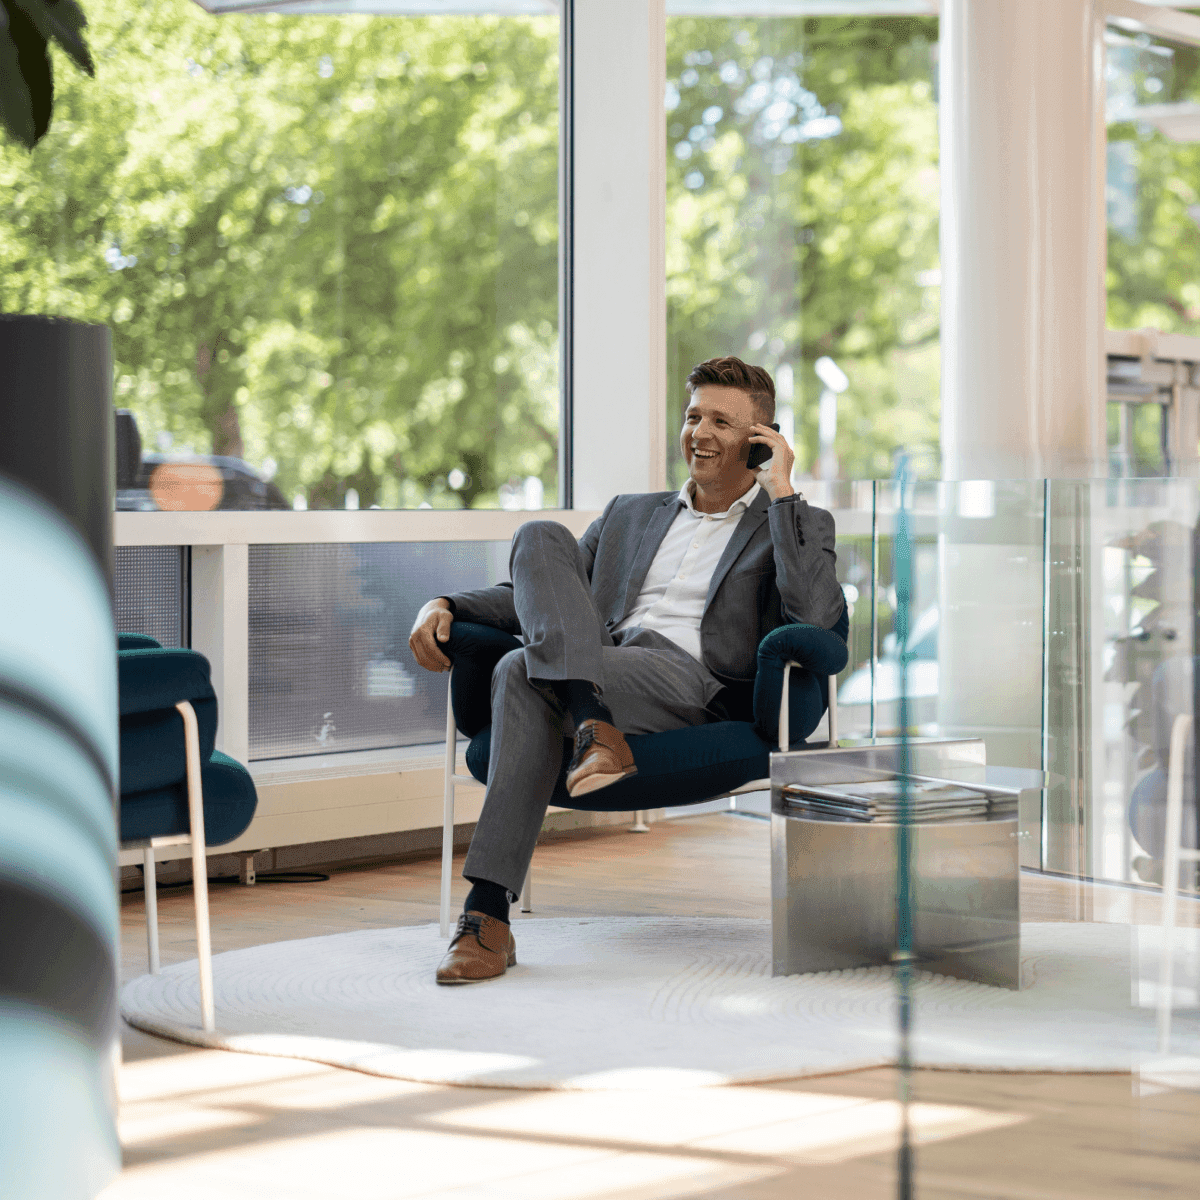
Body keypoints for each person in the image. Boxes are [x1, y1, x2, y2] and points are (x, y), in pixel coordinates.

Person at [409, 356, 844, 984]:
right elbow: (545, 594)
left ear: (760, 439)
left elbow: (814, 614)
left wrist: (781, 495)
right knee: (539, 537)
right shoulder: (629, 513)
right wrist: (446, 604)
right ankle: (592, 722)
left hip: (689, 680)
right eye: (694, 415)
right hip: (599, 657)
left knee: (514, 672)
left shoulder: (794, 522)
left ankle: (487, 916)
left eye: (722, 421)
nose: (700, 432)